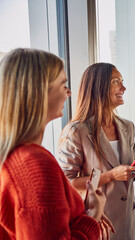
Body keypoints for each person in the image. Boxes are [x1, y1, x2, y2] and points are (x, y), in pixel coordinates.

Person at [0, 48, 112, 239]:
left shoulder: (17, 155)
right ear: (38, 92)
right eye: (63, 85)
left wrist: (81, 212)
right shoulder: (34, 165)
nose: (68, 93)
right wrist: (92, 217)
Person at [57, 62, 135, 240]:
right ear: (98, 87)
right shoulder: (77, 131)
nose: (123, 87)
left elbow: (124, 171)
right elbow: (66, 183)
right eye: (116, 81)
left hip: (128, 221)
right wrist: (110, 176)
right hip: (99, 222)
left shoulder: (127, 127)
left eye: (122, 81)